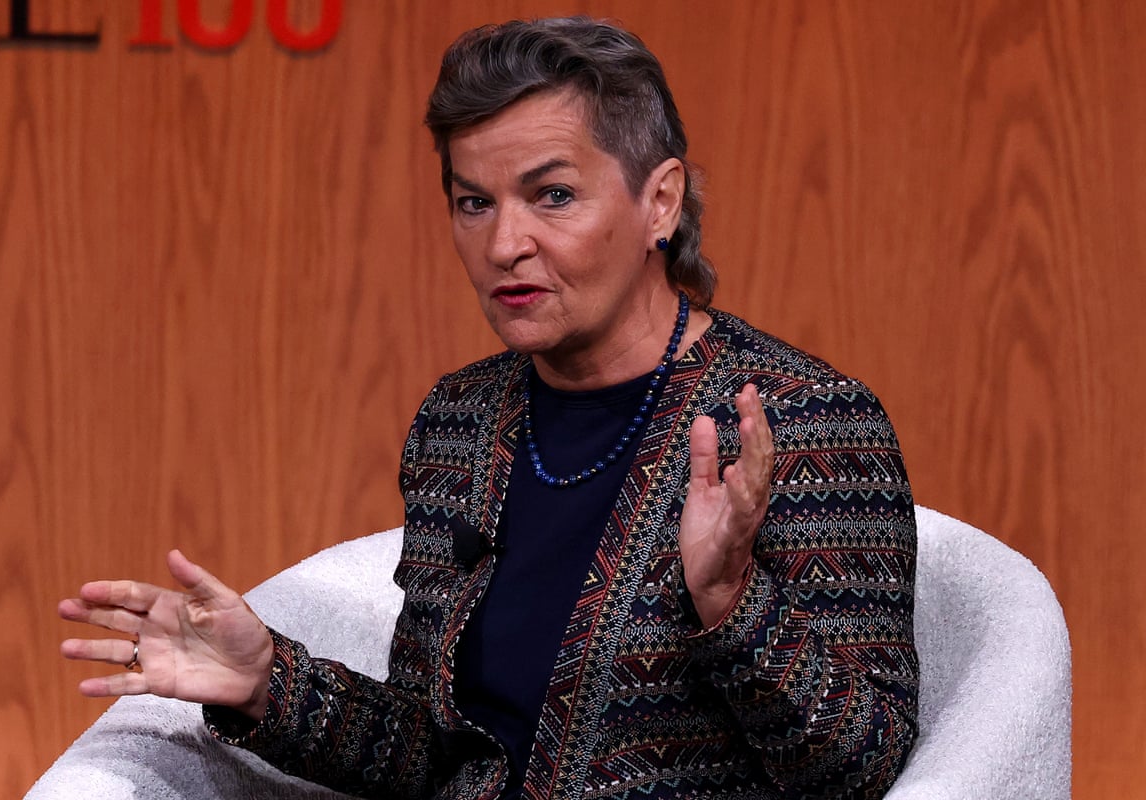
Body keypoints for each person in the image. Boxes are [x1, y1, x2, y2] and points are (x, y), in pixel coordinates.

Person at [59, 17, 918, 800]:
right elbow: (436, 752)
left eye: (552, 196)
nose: (504, 244)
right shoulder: (460, 422)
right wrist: (265, 682)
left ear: (659, 202)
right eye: (474, 202)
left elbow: (862, 768)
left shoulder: (803, 418)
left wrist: (730, 603)